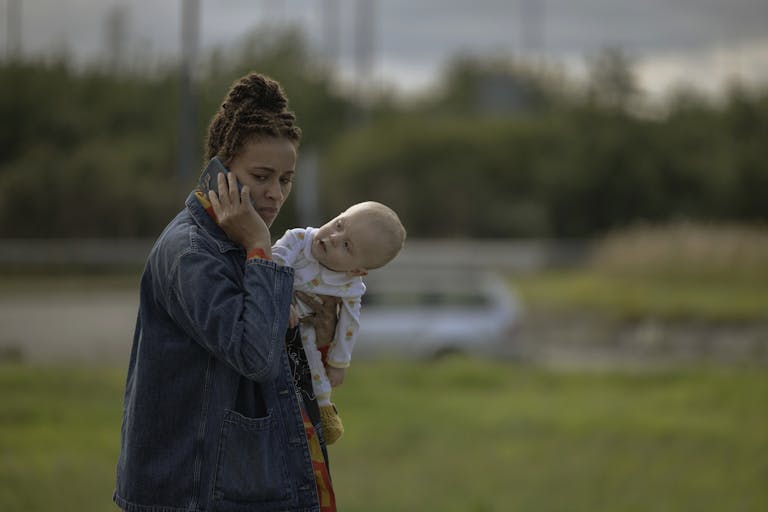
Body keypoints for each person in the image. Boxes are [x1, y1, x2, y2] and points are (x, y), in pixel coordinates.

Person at [114, 72, 340, 512]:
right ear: (220, 172)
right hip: (190, 494)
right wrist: (258, 246)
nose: (275, 194)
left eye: (286, 179)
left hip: (241, 486)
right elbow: (254, 357)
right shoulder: (192, 253)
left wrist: (320, 333)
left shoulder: (243, 243)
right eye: (261, 176)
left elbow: (278, 371)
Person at [272, 201, 406, 444]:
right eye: (339, 224)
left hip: (305, 330)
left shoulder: (349, 285)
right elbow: (275, 260)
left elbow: (349, 325)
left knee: (313, 361)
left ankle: (323, 409)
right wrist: (280, 300)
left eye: (346, 245)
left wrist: (338, 362)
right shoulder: (299, 240)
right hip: (276, 309)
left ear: (357, 271)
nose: (333, 237)